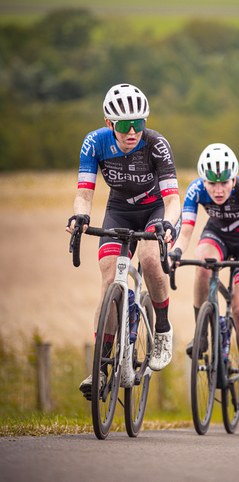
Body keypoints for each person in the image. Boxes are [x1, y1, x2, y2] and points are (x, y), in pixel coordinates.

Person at [66, 83, 181, 397]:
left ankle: (161, 327)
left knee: (149, 258)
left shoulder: (156, 144)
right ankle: (100, 369)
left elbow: (173, 200)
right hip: (119, 210)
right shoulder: (95, 143)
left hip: (156, 209)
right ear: (109, 124)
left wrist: (167, 226)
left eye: (139, 123)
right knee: (108, 279)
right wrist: (80, 217)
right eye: (124, 125)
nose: (133, 132)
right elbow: (84, 194)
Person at [169, 143, 239, 411]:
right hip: (218, 236)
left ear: (233, 178)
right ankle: (201, 334)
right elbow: (187, 230)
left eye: (224, 182)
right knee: (202, 265)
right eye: (212, 184)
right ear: (203, 180)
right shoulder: (196, 189)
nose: (218, 189)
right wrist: (176, 251)